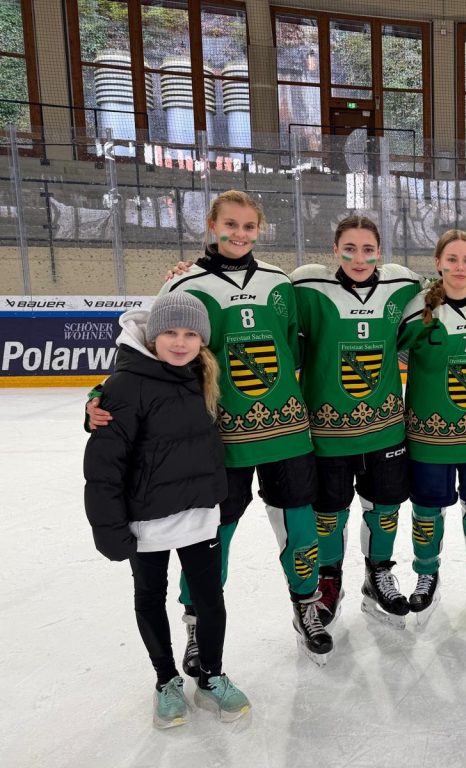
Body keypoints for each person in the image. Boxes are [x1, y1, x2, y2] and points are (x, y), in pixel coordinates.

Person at [88, 191, 330, 666]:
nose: (239, 234)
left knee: (300, 526)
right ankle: (197, 621)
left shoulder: (280, 283)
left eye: (248, 226)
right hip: (220, 439)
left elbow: (292, 350)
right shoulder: (182, 285)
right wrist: (101, 393)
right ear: (211, 226)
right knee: (211, 535)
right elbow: (145, 350)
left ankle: (306, 603)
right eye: (230, 224)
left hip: (287, 433)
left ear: (259, 229)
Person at [290, 216, 466, 630]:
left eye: (368, 249)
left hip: (388, 429)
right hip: (331, 433)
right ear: (334, 249)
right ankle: (330, 578)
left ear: (380, 252)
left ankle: (379, 574)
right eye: (349, 248)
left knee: (386, 509)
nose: (359, 257)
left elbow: (448, 279)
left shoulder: (403, 287)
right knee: (330, 513)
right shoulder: (308, 286)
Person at [84, 292, 250, 728]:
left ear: (203, 340)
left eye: (191, 333)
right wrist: (109, 528)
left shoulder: (203, 374)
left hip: (198, 513)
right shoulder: (124, 383)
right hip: (147, 520)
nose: (180, 342)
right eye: (170, 333)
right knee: (150, 598)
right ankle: (165, 680)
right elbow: (104, 465)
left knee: (209, 599)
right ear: (153, 336)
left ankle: (211, 677)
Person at [396, 229, 466, 623]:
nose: (460, 267)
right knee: (426, 509)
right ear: (438, 262)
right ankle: (426, 575)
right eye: (452, 260)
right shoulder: (418, 307)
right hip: (429, 436)